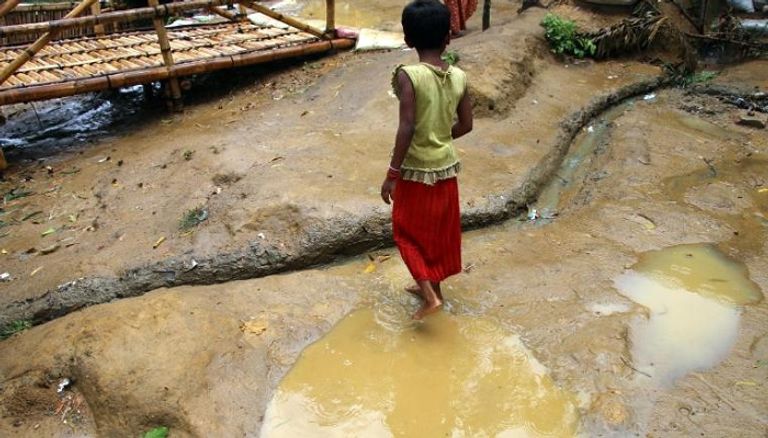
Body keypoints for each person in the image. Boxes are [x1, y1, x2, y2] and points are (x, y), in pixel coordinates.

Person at [380, 0, 473, 320]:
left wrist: (392, 172)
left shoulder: (409, 75)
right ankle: (433, 289)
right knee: (437, 231)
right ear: (448, 37)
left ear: (407, 39)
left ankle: (430, 297)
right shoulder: (459, 76)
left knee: (405, 231)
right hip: (446, 168)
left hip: (416, 170)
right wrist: (440, 138)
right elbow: (466, 125)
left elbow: (407, 126)